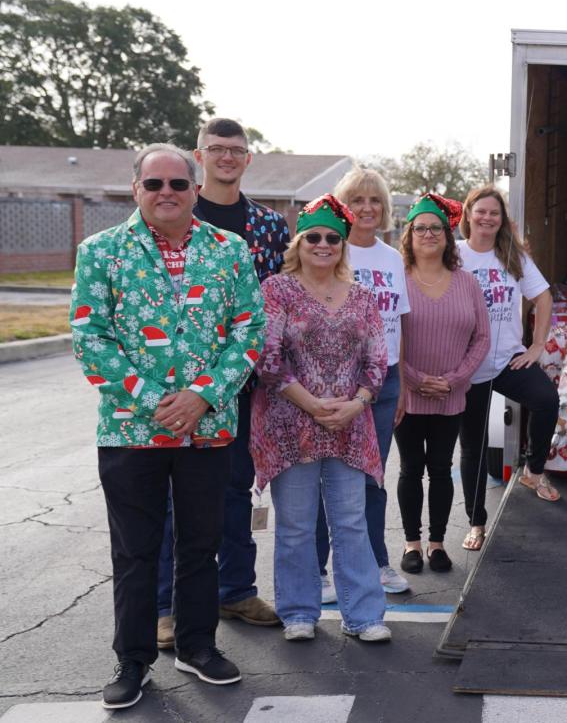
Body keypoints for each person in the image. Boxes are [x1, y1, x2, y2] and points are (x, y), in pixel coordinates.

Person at [71, 143, 262, 708]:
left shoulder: (229, 251)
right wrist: (157, 401)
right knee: (135, 552)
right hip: (132, 432)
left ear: (195, 190)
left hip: (207, 428)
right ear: (136, 190)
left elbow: (249, 329)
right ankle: (133, 661)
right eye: (154, 185)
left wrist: (201, 397)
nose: (166, 194)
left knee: (202, 545)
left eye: (178, 184)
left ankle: (197, 645)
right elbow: (89, 336)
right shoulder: (101, 252)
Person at [153, 118, 288, 649]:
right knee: (170, 497)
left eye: (236, 150)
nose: (226, 158)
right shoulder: (173, 211)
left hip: (243, 381)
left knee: (236, 489)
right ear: (198, 155)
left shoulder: (270, 226)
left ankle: (235, 588)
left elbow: (278, 302)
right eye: (216, 149)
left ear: (248, 159)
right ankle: (166, 606)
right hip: (175, 385)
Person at [251, 194, 393, 644]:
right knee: (295, 524)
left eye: (333, 237)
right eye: (313, 236)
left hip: (351, 426)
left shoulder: (363, 296)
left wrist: (358, 402)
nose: (323, 244)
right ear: (299, 242)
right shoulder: (277, 290)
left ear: (343, 245)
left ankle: (364, 616)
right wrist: (312, 405)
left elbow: (378, 360)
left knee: (350, 521)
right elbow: (267, 358)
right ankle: (298, 612)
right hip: (291, 425)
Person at [313, 167, 411, 599]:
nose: (367, 208)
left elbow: (398, 327)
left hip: (384, 380)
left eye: (375, 200)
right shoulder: (329, 250)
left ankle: (377, 562)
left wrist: (402, 383)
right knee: (321, 475)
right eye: (357, 200)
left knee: (372, 475)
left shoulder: (394, 260)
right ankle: (317, 570)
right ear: (341, 207)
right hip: (333, 380)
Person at [456, 185, 562, 551]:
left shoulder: (512, 256)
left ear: (502, 221)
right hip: (465, 368)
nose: (487, 218)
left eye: (494, 213)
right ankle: (476, 523)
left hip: (506, 360)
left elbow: (543, 297)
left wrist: (536, 345)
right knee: (474, 448)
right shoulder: (453, 256)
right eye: (480, 211)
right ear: (468, 214)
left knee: (546, 399)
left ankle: (533, 471)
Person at [393, 193, 488, 574]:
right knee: (411, 467)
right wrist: (414, 379)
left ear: (448, 236)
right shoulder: (397, 280)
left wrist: (454, 380)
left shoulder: (467, 283)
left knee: (441, 466)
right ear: (409, 235)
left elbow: (482, 337)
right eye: (421, 228)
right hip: (409, 396)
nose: (429, 234)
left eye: (436, 228)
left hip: (451, 396)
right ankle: (411, 543)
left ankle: (437, 544)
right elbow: (385, 334)